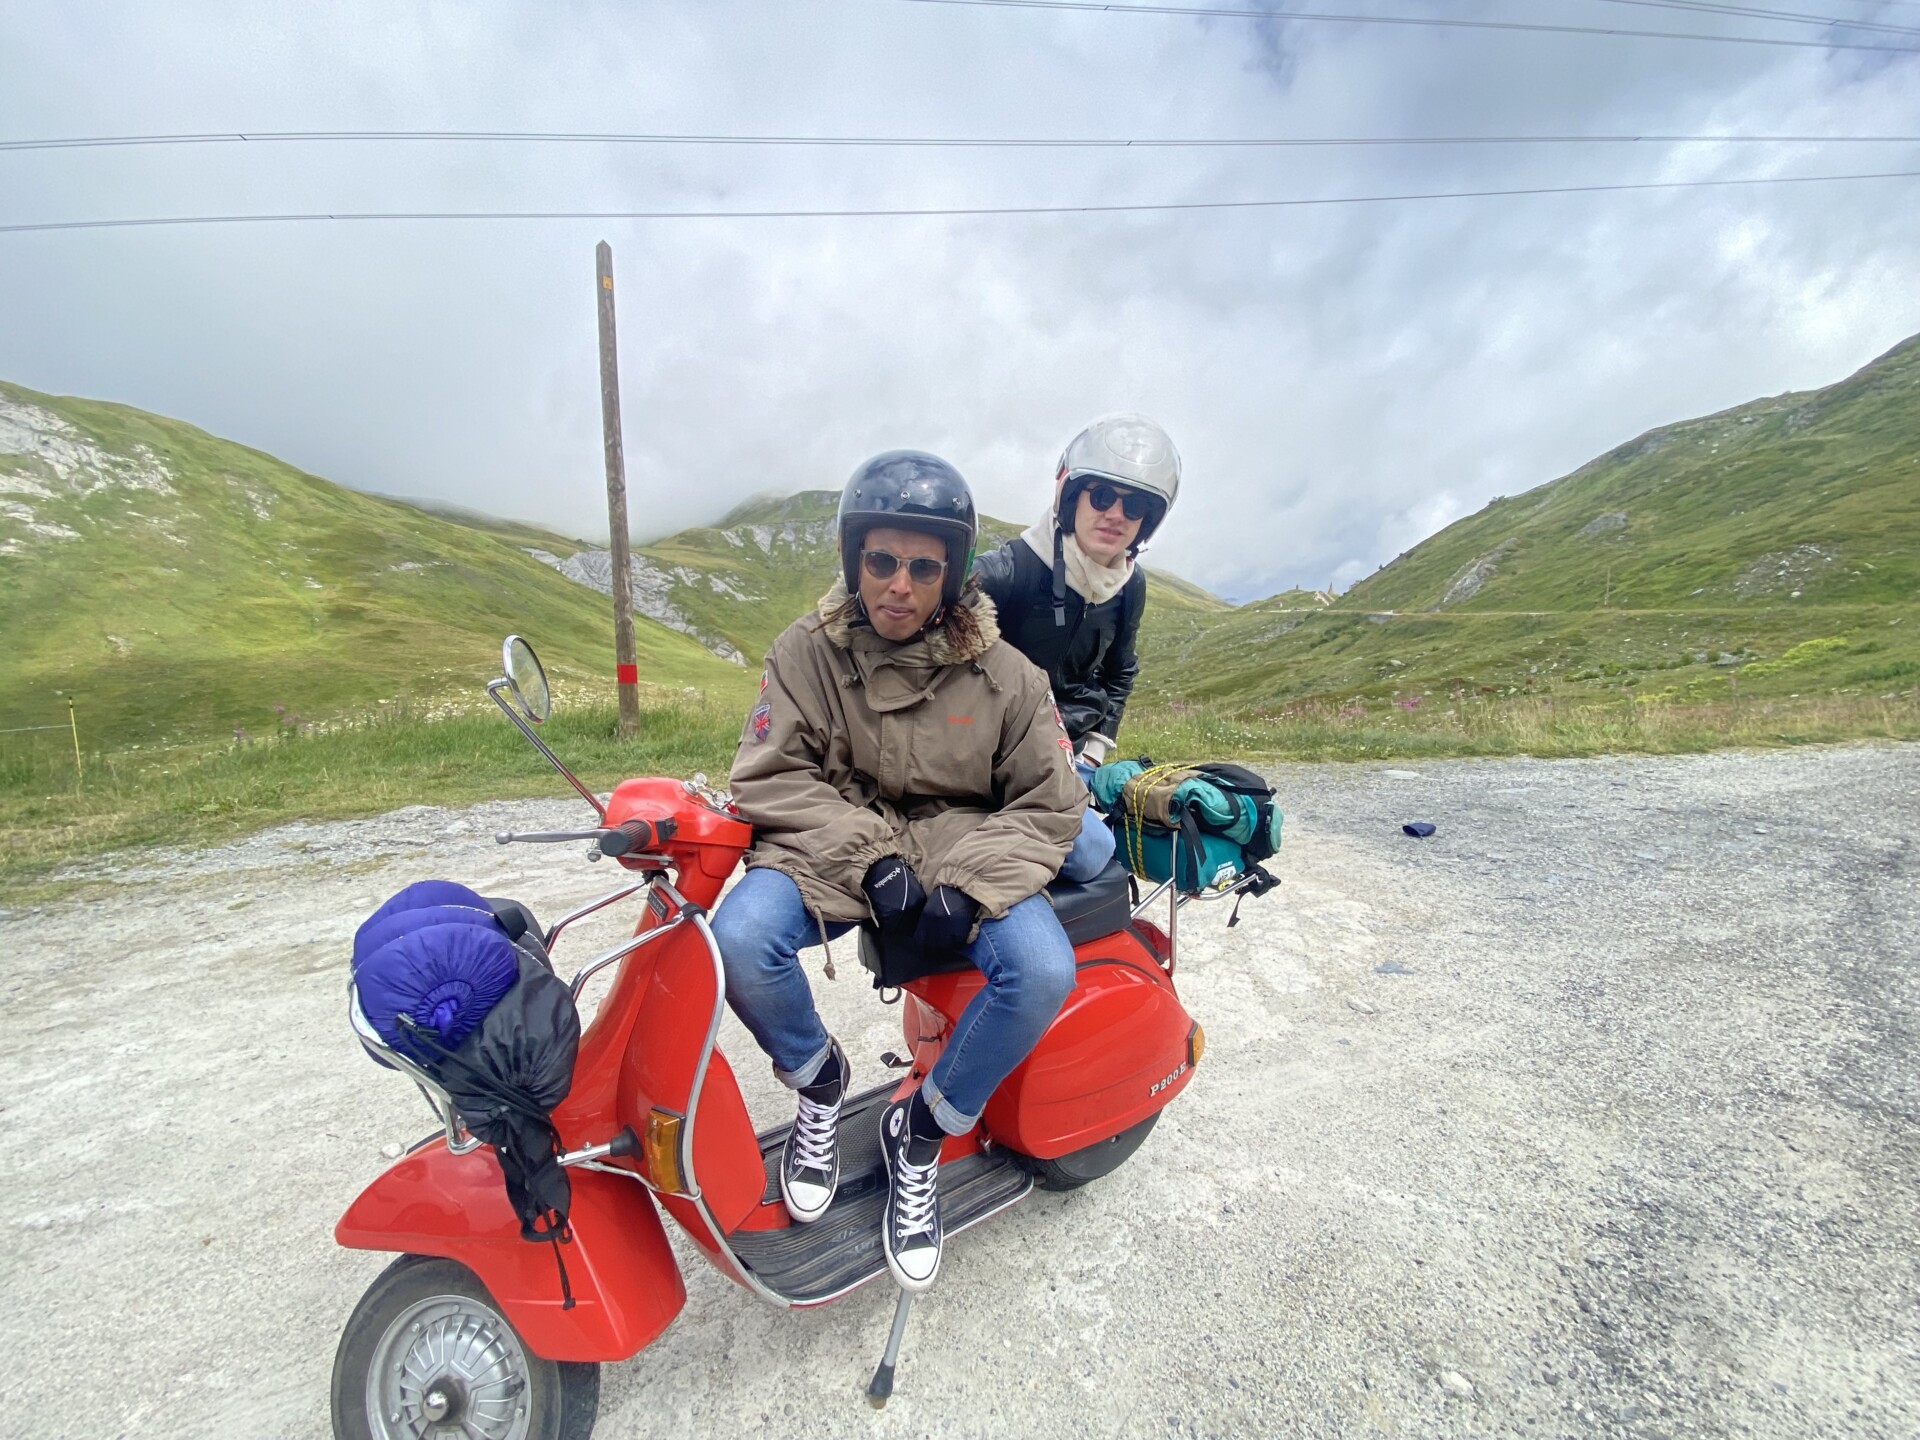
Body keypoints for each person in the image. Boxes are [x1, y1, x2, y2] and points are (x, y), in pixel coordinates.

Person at [710, 450, 1086, 1292]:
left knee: (1041, 970)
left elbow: (1051, 802)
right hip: (833, 839)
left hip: (963, 846)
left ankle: (921, 1130)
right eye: (881, 561)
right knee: (736, 940)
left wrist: (974, 883)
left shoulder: (1010, 677)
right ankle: (818, 1080)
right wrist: (869, 855)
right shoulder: (804, 652)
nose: (898, 586)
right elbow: (770, 774)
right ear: (854, 559)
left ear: (952, 574)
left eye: (924, 568)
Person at [973, 413, 1182, 881]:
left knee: (1140, 831)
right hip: (998, 756)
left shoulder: (1129, 585)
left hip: (1071, 755)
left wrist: (1094, 751)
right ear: (1070, 497)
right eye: (1102, 496)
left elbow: (1120, 670)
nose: (1116, 514)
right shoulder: (1012, 569)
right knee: (1090, 852)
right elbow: (932, 617)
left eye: (1135, 505)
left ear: (1148, 520)